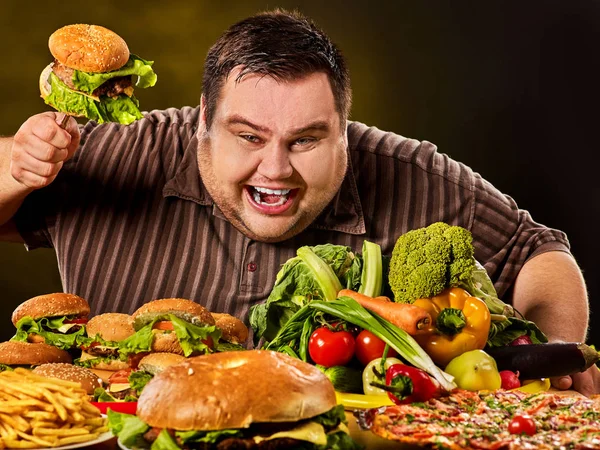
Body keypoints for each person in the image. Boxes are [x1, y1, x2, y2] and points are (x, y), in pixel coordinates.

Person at [0, 10, 597, 395]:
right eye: (248, 136)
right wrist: (13, 170)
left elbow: (539, 250)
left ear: (345, 129)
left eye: (307, 139)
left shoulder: (409, 170)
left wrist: (546, 354)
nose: (276, 169)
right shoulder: (113, 149)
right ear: (203, 121)